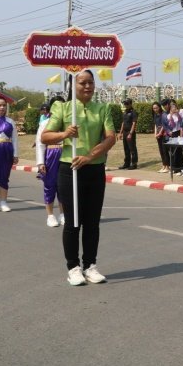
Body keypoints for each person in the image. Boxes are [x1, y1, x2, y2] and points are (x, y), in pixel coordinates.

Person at [42, 69, 116, 286]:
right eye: (82, 82)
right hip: (70, 169)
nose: (87, 86)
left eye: (90, 82)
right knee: (73, 221)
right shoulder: (62, 108)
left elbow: (110, 138)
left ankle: (90, 265)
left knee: (92, 222)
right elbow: (45, 136)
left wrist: (89, 156)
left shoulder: (102, 108)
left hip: (95, 170)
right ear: (73, 86)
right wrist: (65, 134)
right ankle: (73, 267)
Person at [36, 96, 66, 227]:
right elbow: (40, 143)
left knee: (64, 186)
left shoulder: (68, 123)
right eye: (56, 105)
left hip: (66, 155)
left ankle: (63, 214)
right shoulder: (45, 124)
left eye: (62, 105)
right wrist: (40, 163)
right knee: (50, 185)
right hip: (51, 155)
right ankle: (50, 215)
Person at [165, 102, 183, 175]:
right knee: (174, 151)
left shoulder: (179, 114)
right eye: (172, 107)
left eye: (175, 107)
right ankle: (174, 168)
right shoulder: (168, 116)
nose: (174, 108)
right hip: (173, 133)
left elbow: (180, 122)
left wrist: (177, 114)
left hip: (179, 132)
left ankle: (180, 167)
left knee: (179, 150)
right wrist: (171, 115)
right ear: (170, 108)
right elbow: (172, 125)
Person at [118, 98, 138, 170]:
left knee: (132, 148)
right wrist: (120, 133)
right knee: (126, 148)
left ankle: (134, 164)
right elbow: (123, 123)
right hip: (125, 132)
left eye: (127, 104)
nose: (125, 105)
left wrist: (130, 133)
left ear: (130, 104)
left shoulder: (133, 112)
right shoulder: (125, 112)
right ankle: (127, 163)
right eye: (124, 104)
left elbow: (134, 123)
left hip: (130, 132)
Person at [152, 101, 170, 173]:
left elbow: (163, 125)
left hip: (163, 134)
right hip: (158, 135)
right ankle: (164, 165)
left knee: (165, 150)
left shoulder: (163, 114)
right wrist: (155, 134)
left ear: (159, 107)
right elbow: (155, 125)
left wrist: (160, 133)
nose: (155, 109)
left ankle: (167, 166)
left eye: (156, 108)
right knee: (161, 150)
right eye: (154, 108)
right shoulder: (155, 115)